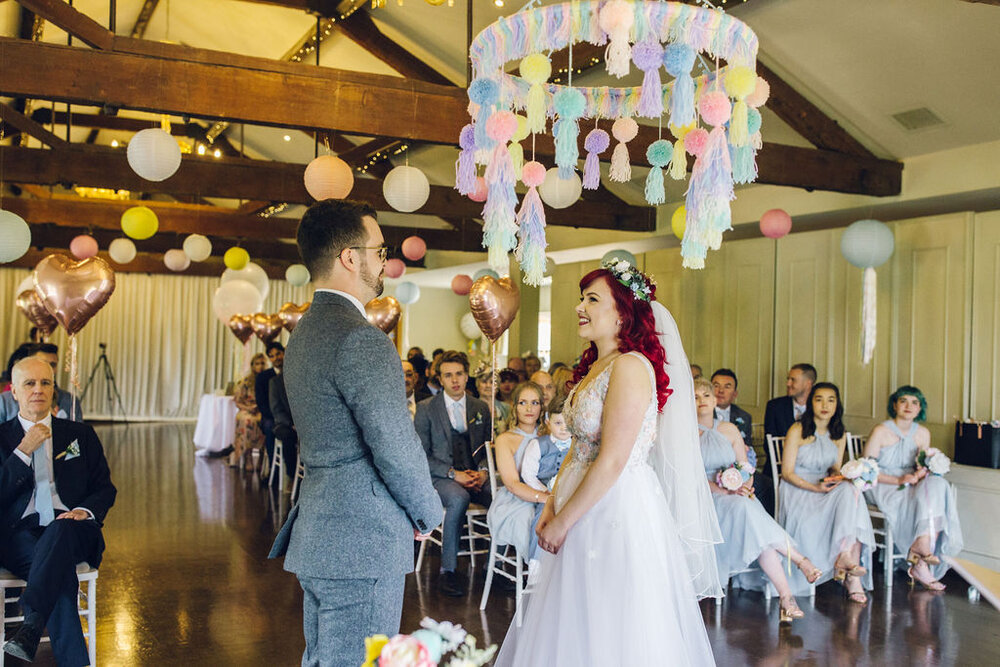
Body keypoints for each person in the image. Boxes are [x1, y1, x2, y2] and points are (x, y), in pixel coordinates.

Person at [495, 261, 722, 665]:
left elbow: (614, 458)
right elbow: (579, 447)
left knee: (610, 620)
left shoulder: (631, 366)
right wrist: (552, 503)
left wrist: (565, 520)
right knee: (573, 617)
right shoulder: (595, 366)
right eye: (582, 298)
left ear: (622, 312)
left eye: (592, 299)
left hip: (614, 506)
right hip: (579, 499)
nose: (580, 307)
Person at [267, 199, 442, 667]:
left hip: (322, 526)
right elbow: (394, 445)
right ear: (350, 257)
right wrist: (429, 511)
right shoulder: (361, 338)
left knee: (324, 658)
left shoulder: (304, 333)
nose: (385, 261)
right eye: (379, 250)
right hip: (362, 537)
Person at [0, 357, 116, 665]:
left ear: (54, 389)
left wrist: (83, 510)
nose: (38, 389)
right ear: (13, 392)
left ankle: (30, 627)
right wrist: (23, 451)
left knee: (61, 530)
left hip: (73, 527)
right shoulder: (0, 437)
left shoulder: (80, 435)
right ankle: (48, 639)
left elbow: (105, 488)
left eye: (46, 383)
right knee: (59, 576)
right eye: (30, 383)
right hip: (19, 535)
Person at [695, 377, 821, 623]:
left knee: (755, 525)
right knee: (750, 515)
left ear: (714, 400)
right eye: (695, 397)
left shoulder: (729, 429)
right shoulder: (685, 434)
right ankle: (799, 561)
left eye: (706, 396)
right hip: (707, 497)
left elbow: (745, 467)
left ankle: (786, 597)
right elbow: (690, 477)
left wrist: (745, 486)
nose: (702, 401)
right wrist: (723, 490)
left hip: (737, 496)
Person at [779, 383, 875, 603]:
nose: (825, 405)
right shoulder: (797, 429)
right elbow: (786, 473)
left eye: (831, 400)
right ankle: (850, 572)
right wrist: (815, 487)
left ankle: (845, 557)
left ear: (837, 404)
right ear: (811, 402)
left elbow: (834, 467)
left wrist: (841, 476)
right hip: (798, 488)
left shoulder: (838, 433)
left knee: (852, 490)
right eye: (819, 399)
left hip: (824, 486)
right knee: (852, 499)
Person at [864, 386, 963, 590]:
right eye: (903, 401)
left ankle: (921, 549)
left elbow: (922, 465)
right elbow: (866, 472)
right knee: (917, 501)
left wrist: (921, 472)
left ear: (920, 408)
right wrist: (899, 480)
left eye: (914, 402)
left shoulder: (923, 433)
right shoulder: (881, 431)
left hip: (911, 482)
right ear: (894, 404)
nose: (909, 406)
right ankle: (921, 562)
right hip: (883, 483)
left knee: (938, 485)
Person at [414, 350, 492, 597]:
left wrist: (483, 473)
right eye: (448, 375)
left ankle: (496, 565)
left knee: (502, 495)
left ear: (467, 376)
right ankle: (448, 570)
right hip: (441, 477)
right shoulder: (426, 408)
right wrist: (452, 474)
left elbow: (488, 448)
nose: (455, 380)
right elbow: (421, 455)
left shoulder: (480, 407)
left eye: (459, 374)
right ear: (441, 379)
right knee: (459, 498)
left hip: (475, 474)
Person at [485, 382, 545, 576]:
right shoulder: (505, 439)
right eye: (523, 403)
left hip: (548, 493)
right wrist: (543, 498)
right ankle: (535, 572)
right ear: (515, 406)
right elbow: (511, 483)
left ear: (542, 407)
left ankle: (557, 574)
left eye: (534, 402)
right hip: (516, 499)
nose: (529, 408)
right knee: (528, 519)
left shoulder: (551, 436)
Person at [519, 395, 572, 572]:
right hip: (545, 493)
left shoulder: (576, 445)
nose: (564, 428)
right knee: (542, 515)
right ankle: (535, 559)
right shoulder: (538, 444)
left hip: (567, 492)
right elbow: (528, 474)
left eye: (567, 423)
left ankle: (565, 562)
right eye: (558, 423)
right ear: (548, 421)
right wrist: (546, 493)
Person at [713, 368, 774, 515]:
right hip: (712, 465)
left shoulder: (743, 416)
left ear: (735, 394)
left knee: (766, 484)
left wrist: (743, 474)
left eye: (727, 386)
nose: (720, 390)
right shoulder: (702, 413)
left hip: (736, 466)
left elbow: (747, 447)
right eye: (716, 385)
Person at [1, 344, 84, 423]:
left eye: (53, 364)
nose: (47, 368)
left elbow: (79, 434)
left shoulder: (69, 400)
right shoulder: (4, 401)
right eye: (41, 363)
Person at [232, 353, 267, 469]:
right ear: (252, 366)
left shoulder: (269, 379)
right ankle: (248, 457)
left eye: (262, 363)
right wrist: (248, 408)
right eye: (257, 364)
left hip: (261, 410)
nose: (260, 366)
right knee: (247, 421)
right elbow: (237, 401)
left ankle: (262, 458)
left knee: (266, 422)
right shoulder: (246, 382)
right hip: (247, 409)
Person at [764, 364, 816, 442]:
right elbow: (769, 443)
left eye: (793, 380)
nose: (788, 384)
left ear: (808, 384)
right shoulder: (774, 406)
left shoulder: (819, 407)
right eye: (788, 379)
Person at [256, 342, 284, 481]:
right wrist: (275, 416)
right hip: (270, 416)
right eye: (272, 356)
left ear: (283, 353)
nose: (276, 358)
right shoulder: (263, 377)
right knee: (270, 428)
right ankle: (275, 470)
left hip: (288, 415)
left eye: (278, 354)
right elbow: (261, 403)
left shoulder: (292, 372)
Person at [268, 371, 297, 483]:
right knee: (288, 436)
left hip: (300, 422)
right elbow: (276, 409)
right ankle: (291, 476)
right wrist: (291, 424)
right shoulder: (275, 382)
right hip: (283, 423)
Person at [473, 365, 509, 434]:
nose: (488, 386)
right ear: (477, 385)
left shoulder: (506, 408)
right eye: (484, 382)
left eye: (492, 382)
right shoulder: (471, 408)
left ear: (497, 386)